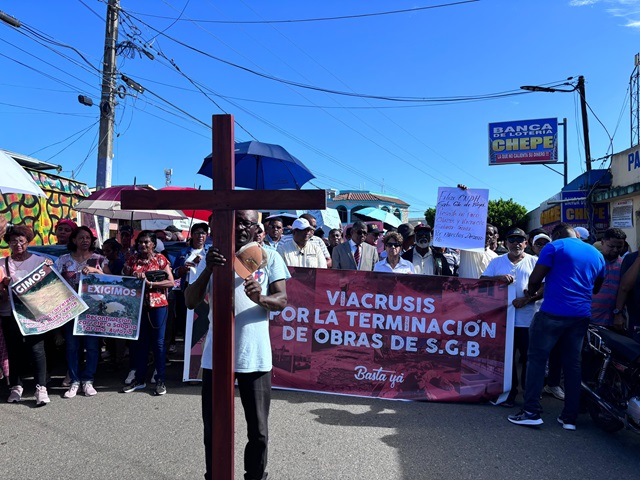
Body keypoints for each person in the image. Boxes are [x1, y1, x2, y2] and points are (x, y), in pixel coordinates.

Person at [185, 210, 289, 480]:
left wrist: (261, 298)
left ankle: (254, 476)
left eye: (249, 223)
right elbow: (189, 300)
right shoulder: (209, 257)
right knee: (214, 429)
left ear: (257, 229)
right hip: (216, 358)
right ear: (225, 222)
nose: (243, 227)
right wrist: (208, 268)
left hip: (255, 357)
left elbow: (282, 300)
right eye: (238, 221)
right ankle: (215, 475)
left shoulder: (269, 257)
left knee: (258, 431)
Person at [508, 223, 605, 431]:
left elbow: (536, 278)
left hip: (552, 313)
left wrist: (531, 292)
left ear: (557, 234)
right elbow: (597, 287)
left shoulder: (555, 246)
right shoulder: (596, 254)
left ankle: (531, 412)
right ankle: (569, 418)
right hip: (580, 316)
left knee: (536, 360)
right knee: (573, 365)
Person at [481, 227, 541, 407]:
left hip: (529, 321)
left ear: (526, 243)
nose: (516, 243)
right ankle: (510, 394)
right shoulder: (497, 262)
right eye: (512, 240)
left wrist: (528, 299)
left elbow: (546, 286)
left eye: (520, 240)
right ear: (506, 243)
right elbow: (482, 282)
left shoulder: (535, 261)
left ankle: (530, 397)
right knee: (507, 361)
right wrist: (497, 279)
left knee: (530, 360)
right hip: (504, 321)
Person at [54, 226, 110, 398]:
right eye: (81, 238)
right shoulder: (63, 260)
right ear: (74, 240)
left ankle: (88, 380)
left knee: (92, 346)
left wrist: (96, 271)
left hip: (92, 310)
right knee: (72, 346)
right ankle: (74, 381)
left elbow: (113, 281)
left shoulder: (100, 259)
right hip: (70, 309)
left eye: (88, 238)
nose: (85, 240)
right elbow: (54, 281)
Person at [0, 225, 52, 405]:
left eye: (21, 240)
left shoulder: (39, 261)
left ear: (28, 242)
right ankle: (16, 386)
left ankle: (41, 387)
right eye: (13, 240)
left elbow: (49, 285)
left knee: (37, 349)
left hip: (33, 314)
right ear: (8, 243)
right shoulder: (2, 263)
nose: (17, 244)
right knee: (14, 351)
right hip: (9, 313)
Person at [121, 231, 175, 396]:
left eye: (146, 242)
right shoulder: (132, 259)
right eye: (140, 242)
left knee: (158, 344)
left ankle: (161, 379)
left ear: (153, 244)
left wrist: (150, 283)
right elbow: (123, 280)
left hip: (158, 305)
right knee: (140, 344)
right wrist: (131, 274)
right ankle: (139, 379)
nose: (143, 245)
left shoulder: (160, 260)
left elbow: (171, 282)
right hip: (138, 305)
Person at [171, 222, 210, 353]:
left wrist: (202, 262)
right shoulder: (183, 253)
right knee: (186, 321)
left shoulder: (209, 251)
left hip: (206, 291)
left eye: (204, 233)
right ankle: (188, 352)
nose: (201, 236)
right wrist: (183, 269)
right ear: (192, 235)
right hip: (187, 289)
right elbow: (174, 273)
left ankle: (202, 349)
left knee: (204, 320)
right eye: (198, 233)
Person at [590, 228, 626, 327]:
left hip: (615, 321)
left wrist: (619, 314)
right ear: (602, 242)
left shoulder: (625, 264)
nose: (615, 250)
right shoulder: (592, 262)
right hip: (590, 319)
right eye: (611, 246)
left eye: (619, 247)